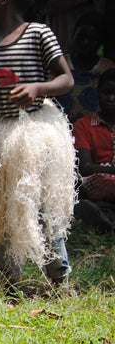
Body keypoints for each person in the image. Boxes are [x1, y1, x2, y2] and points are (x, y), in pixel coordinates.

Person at [0, 0, 76, 285]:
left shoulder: (38, 34)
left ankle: (57, 273)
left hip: (30, 134)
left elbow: (66, 79)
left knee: (34, 203)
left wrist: (38, 88)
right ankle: (8, 277)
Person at [71, 69, 115, 233]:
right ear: (97, 93)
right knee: (100, 186)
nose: (111, 98)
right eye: (106, 92)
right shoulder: (83, 125)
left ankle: (104, 215)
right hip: (96, 185)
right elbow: (85, 167)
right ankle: (99, 212)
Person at [55, 12, 114, 123]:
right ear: (74, 34)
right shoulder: (60, 63)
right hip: (60, 128)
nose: (85, 42)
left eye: (92, 39)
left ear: (101, 41)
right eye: (81, 36)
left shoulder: (107, 68)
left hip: (94, 131)